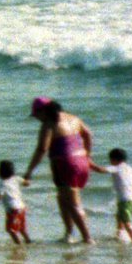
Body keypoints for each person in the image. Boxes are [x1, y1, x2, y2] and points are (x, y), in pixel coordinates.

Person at [23, 97, 96, 243]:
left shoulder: (49, 125)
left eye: (36, 115)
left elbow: (42, 149)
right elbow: (88, 134)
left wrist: (29, 172)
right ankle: (68, 234)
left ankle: (87, 238)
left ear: (43, 112)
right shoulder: (74, 118)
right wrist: (87, 155)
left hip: (65, 164)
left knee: (72, 202)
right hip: (81, 162)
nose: (37, 119)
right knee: (62, 198)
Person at [0, 159, 29, 244]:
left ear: (0, 172)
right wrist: (27, 178)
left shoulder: (3, 183)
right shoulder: (16, 178)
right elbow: (27, 183)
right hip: (22, 207)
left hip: (13, 209)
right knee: (21, 228)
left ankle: (18, 244)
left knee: (10, 230)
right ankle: (28, 241)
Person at [106, 148, 132, 244]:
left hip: (124, 199)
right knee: (119, 217)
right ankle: (119, 235)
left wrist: (88, 163)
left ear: (114, 159)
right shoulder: (129, 168)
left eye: (110, 160)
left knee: (126, 221)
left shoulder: (116, 167)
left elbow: (101, 170)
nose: (110, 162)